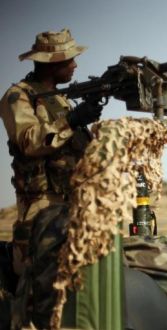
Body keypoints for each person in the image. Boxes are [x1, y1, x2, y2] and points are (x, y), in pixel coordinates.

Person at [0, 29, 103, 327]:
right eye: (69, 60)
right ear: (49, 63)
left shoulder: (60, 99)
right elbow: (29, 140)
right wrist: (71, 120)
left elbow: (74, 145)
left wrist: (87, 123)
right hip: (42, 206)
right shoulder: (18, 96)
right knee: (39, 288)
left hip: (72, 202)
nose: (75, 66)